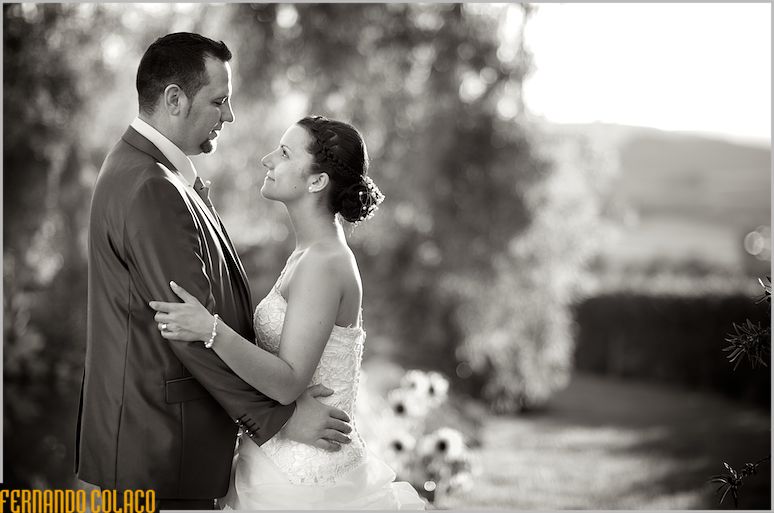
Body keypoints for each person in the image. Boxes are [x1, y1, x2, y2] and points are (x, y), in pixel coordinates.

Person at [75, 34, 352, 511]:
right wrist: (280, 420)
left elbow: (200, 324)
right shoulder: (151, 187)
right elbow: (187, 333)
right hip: (157, 454)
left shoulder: (156, 176)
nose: (229, 116)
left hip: (163, 450)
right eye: (219, 101)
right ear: (175, 100)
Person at [149, 115, 426, 509]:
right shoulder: (307, 253)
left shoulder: (324, 263)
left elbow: (287, 383)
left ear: (317, 181)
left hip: (303, 481)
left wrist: (210, 330)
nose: (267, 160)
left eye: (283, 153)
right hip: (276, 459)